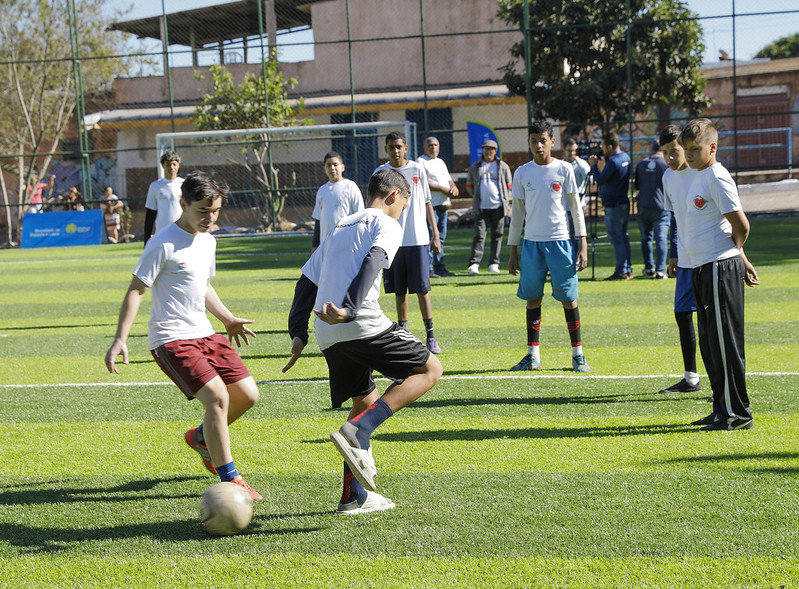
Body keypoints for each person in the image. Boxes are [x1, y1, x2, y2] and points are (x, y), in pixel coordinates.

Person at [284, 168, 443, 514]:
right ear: (393, 196)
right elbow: (375, 260)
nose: (402, 212)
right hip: (358, 321)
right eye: (403, 205)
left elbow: (305, 281)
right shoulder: (386, 223)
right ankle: (361, 429)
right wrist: (349, 309)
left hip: (328, 334)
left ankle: (353, 497)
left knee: (364, 399)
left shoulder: (341, 225)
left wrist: (298, 333)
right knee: (430, 369)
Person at [104, 171, 262, 499]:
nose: (209, 218)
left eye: (215, 211)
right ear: (182, 203)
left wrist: (228, 318)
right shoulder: (161, 243)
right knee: (218, 398)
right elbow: (136, 291)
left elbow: (202, 285)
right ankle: (230, 477)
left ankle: (202, 438)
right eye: (202, 211)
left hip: (206, 333)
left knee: (247, 395)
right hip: (171, 338)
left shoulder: (209, 240)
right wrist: (121, 338)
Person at [678, 118, 759, 431]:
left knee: (725, 344)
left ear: (713, 147)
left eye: (695, 149)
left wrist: (736, 256)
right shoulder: (700, 175)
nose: (689, 155)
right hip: (702, 269)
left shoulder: (717, 176)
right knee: (710, 345)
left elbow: (741, 225)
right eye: (687, 150)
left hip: (717, 267)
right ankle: (721, 410)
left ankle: (738, 414)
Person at [507, 120, 590, 373]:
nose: (538, 145)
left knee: (569, 299)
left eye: (543, 140)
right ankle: (533, 356)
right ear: (529, 142)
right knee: (533, 299)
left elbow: (576, 209)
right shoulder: (522, 172)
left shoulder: (564, 170)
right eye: (534, 141)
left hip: (561, 243)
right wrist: (513, 249)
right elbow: (517, 215)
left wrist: (582, 243)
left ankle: (578, 355)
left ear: (552, 142)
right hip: (532, 244)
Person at [374, 131, 443, 354]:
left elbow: (427, 202)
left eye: (399, 147)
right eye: (391, 147)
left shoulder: (418, 169)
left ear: (406, 148)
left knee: (422, 289)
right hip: (391, 241)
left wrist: (435, 233)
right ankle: (404, 333)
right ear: (386, 149)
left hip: (418, 239)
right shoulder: (381, 173)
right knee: (399, 291)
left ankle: (431, 336)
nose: (395, 151)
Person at [657, 125, 701, 395]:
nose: (670, 158)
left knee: (710, 320)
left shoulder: (701, 173)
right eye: (665, 153)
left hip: (707, 258)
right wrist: (674, 253)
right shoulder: (667, 178)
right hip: (684, 260)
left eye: (674, 151)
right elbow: (674, 218)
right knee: (682, 314)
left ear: (685, 147)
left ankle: (722, 380)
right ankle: (691, 378)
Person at [589, 131, 632, 280]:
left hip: (613, 205)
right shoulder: (625, 157)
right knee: (623, 237)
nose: (602, 149)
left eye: (603, 146)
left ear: (611, 146)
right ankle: (627, 269)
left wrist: (594, 166)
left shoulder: (613, 161)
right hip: (624, 202)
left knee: (616, 238)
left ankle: (621, 271)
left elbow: (600, 180)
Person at [465, 139, 513, 275]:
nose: (488, 152)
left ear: (495, 151)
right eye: (485, 149)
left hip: (498, 207)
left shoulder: (502, 166)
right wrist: (476, 198)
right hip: (480, 208)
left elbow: (509, 185)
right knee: (479, 235)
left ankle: (494, 263)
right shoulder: (475, 166)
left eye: (491, 149)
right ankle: (474, 264)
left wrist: (506, 201)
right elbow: (469, 186)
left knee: (497, 236)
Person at [417, 136, 459, 277]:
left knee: (441, 238)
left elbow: (449, 180)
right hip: (430, 206)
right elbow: (424, 182)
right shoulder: (421, 161)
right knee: (430, 237)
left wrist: (453, 188)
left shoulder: (440, 162)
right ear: (425, 148)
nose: (433, 147)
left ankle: (439, 267)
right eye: (430, 145)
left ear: (439, 147)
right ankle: (428, 269)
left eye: (435, 145)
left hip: (443, 205)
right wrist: (443, 189)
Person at [311, 151, 364, 252]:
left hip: (346, 244)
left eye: (335, 164)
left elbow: (360, 216)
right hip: (326, 245)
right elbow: (318, 221)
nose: (332, 168)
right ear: (324, 169)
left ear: (342, 167)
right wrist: (315, 245)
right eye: (328, 165)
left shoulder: (350, 186)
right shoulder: (322, 190)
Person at [634, 141, 669, 279]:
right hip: (660, 207)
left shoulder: (641, 164)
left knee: (645, 239)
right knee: (661, 239)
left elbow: (637, 185)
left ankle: (649, 268)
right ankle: (660, 270)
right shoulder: (665, 164)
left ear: (651, 149)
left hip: (643, 205)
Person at [144, 150, 184, 245]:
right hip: (162, 234)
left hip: (181, 231)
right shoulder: (155, 186)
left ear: (178, 165)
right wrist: (147, 238)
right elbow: (150, 214)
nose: (172, 167)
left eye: (174, 164)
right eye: (168, 164)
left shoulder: (185, 184)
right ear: (163, 166)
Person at [563, 138, 593, 248]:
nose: (572, 153)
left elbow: (589, 178)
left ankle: (577, 259)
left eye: (574, 150)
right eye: (569, 150)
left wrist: (578, 161)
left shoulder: (582, 164)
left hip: (578, 206)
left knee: (577, 234)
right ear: (564, 150)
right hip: (563, 207)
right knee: (565, 235)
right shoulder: (561, 164)